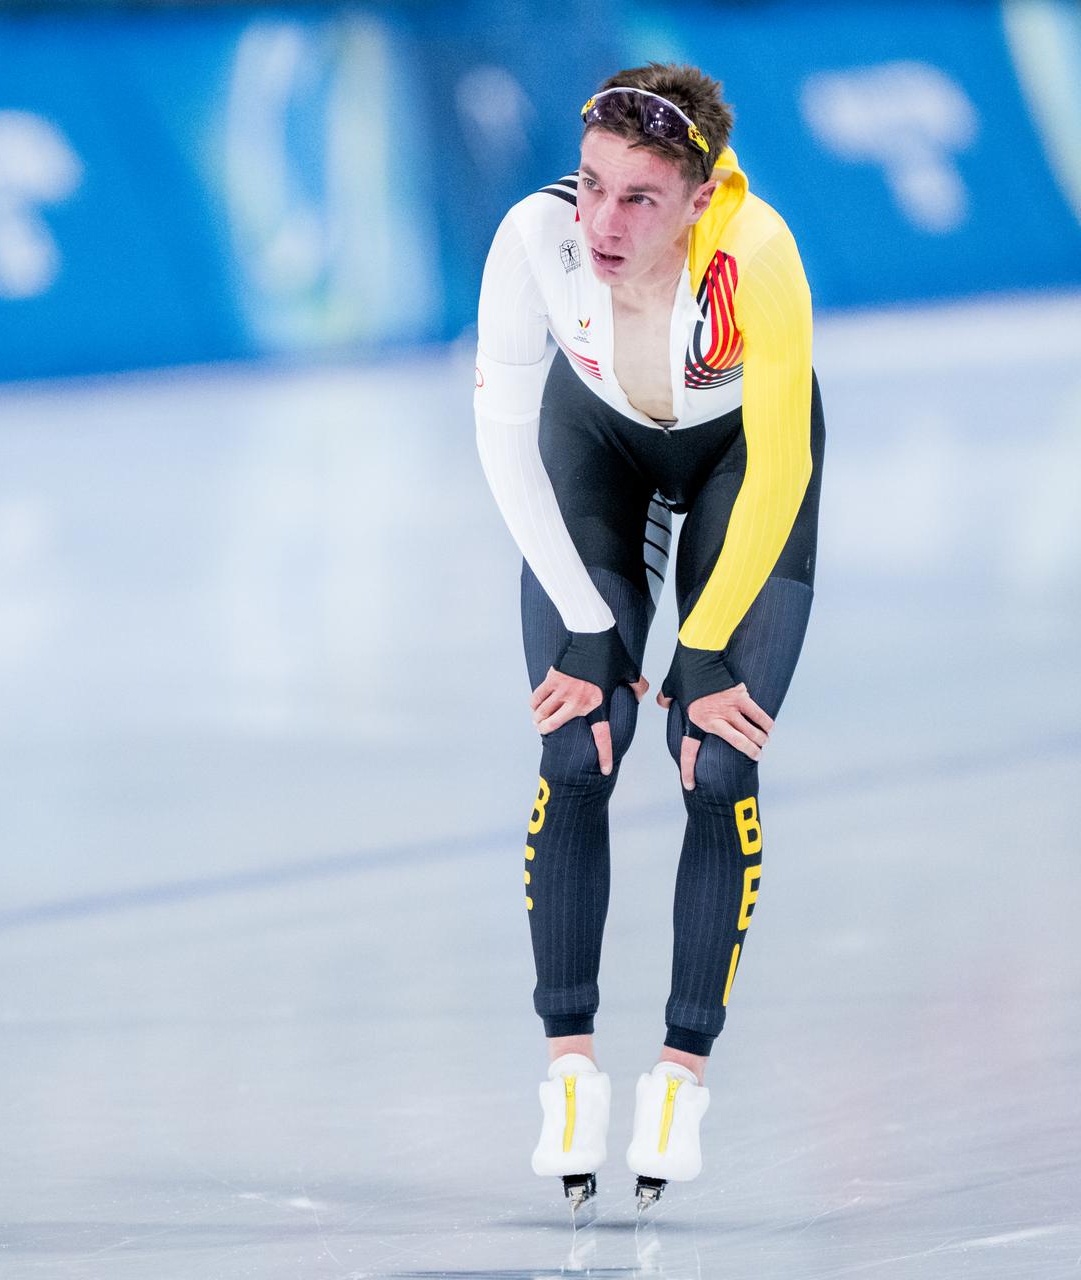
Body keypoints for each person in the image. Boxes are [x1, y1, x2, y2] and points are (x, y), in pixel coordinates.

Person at [473, 61, 823, 1213]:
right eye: (594, 187)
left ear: (701, 196)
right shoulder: (537, 237)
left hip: (738, 470)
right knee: (579, 744)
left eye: (640, 199)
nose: (606, 223)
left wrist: (706, 647)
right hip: (597, 454)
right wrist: (589, 627)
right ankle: (569, 1072)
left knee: (718, 760)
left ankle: (680, 1075)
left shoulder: (754, 254)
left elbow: (779, 463)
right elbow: (505, 438)